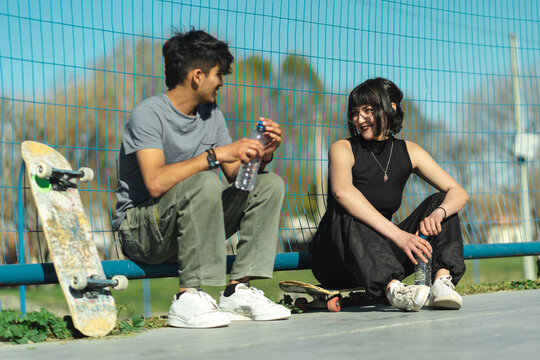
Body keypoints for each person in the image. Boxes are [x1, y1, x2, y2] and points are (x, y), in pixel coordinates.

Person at [113, 29, 290, 328]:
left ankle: (238, 291)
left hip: (192, 222)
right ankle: (187, 298)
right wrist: (214, 155)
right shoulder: (148, 115)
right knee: (205, 180)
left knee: (269, 184)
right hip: (143, 233)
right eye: (219, 74)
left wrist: (263, 155)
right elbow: (155, 182)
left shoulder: (212, 115)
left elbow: (236, 177)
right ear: (197, 75)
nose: (222, 82)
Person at [309, 78, 468, 312]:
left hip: (381, 255)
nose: (359, 119)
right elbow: (342, 192)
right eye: (355, 112)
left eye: (368, 110)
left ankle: (441, 283)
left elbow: (458, 192)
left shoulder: (409, 151)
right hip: (337, 257)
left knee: (441, 204)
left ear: (391, 107)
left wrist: (437, 214)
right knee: (346, 206)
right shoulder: (343, 148)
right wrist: (400, 236)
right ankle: (394, 288)